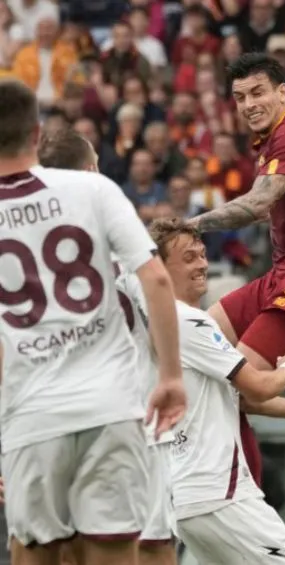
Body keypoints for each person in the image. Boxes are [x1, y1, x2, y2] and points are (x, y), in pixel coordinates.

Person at [154, 52, 285, 494]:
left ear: (283, 92)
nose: (249, 104)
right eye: (240, 97)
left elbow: (256, 204)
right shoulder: (272, 140)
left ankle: (240, 489)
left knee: (236, 385)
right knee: (196, 346)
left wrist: (188, 225)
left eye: (258, 93)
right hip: (283, 274)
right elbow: (265, 208)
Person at [0, 79, 186, 565]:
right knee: (117, 550)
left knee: (35, 552)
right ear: (36, 133)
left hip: (32, 414)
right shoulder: (93, 188)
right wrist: (170, 377)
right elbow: (157, 279)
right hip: (110, 406)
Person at [36, 128, 177, 565]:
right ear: (92, 171)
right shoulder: (122, 246)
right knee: (146, 546)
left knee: (52, 547)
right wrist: (173, 374)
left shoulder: (23, 251)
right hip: (122, 416)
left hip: (47, 420)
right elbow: (158, 291)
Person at [148, 217, 285, 564]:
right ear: (160, 268)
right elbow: (258, 386)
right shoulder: (188, 321)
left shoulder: (155, 321)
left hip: (186, 499)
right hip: (220, 494)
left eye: (202, 254)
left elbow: (233, 399)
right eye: (188, 258)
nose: (202, 264)